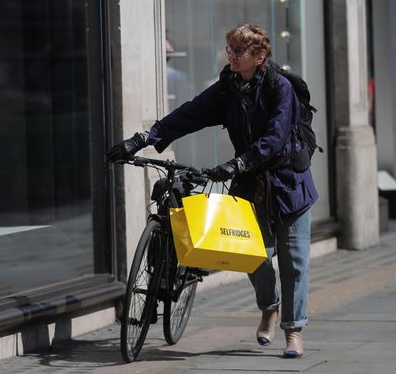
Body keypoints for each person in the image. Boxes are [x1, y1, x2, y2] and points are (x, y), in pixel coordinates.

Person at [107, 24, 318, 359]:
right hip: (250, 184)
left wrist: (238, 164)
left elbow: (276, 137)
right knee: (251, 256)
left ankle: (293, 332)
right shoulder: (229, 87)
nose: (230, 55)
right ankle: (270, 307)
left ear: (259, 56)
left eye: (238, 50)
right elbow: (191, 113)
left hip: (288, 184)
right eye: (229, 48)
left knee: (294, 262)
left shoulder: (280, 88)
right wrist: (144, 139)